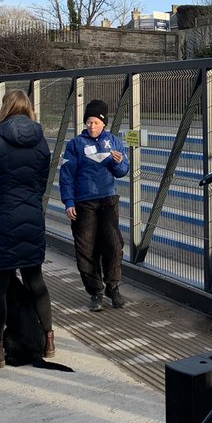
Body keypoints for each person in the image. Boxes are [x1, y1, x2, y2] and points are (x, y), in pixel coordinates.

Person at [0, 90, 54, 368]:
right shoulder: (41, 141)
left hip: (0, 218)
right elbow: (41, 182)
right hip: (31, 216)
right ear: (29, 108)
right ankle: (49, 340)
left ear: (4, 108)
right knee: (35, 280)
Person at [59, 99, 129, 312]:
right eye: (88, 122)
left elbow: (122, 171)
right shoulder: (75, 145)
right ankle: (95, 292)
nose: (92, 126)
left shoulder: (114, 142)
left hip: (108, 200)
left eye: (96, 122)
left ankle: (113, 287)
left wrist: (118, 162)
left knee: (114, 245)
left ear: (104, 123)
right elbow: (66, 176)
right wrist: (69, 201)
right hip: (83, 202)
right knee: (86, 248)